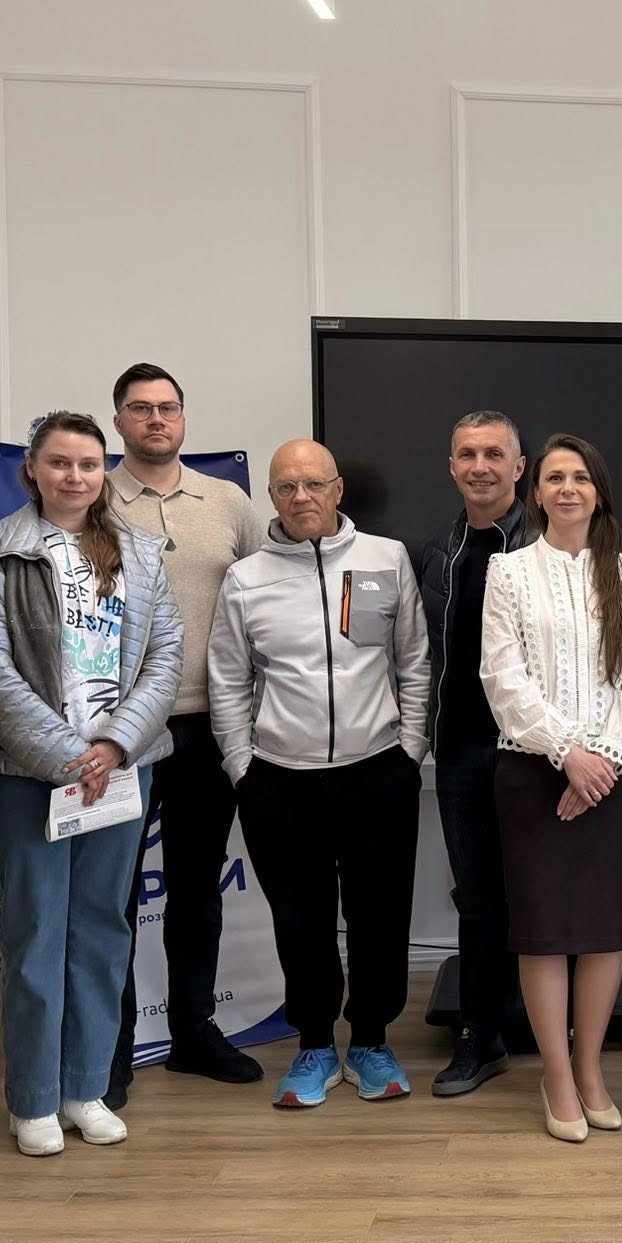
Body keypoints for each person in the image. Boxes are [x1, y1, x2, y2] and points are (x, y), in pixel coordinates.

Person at [0, 411, 180, 1156]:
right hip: (30, 778)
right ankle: (32, 1100)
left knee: (101, 931)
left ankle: (84, 1088)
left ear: (103, 471)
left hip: (121, 772)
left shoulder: (142, 554)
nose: (75, 477)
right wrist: (67, 758)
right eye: (59, 463)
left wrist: (115, 745)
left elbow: (165, 657)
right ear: (32, 469)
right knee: (34, 937)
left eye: (89, 464)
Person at [210, 439, 431, 1110]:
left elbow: (414, 659)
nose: (301, 497)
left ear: (338, 489)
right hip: (281, 780)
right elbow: (228, 679)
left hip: (378, 772)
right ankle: (313, 1044)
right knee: (299, 920)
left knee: (380, 917)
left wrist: (410, 749)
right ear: (271, 497)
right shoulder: (246, 578)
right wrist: (243, 768)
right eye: (286, 487)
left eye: (313, 484)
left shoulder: (386, 559)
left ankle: (371, 1041)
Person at [479, 434, 622, 1143]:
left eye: (581, 476)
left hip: (614, 774)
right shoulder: (508, 571)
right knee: (545, 932)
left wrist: (601, 758)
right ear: (537, 492)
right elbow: (501, 677)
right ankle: (556, 1075)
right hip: (532, 774)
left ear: (599, 491)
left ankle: (590, 1069)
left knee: (605, 931)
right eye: (554, 477)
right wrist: (567, 754)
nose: (568, 488)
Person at [103, 362, 267, 1107]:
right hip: (120, 732)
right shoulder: (93, 497)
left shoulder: (228, 501)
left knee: (198, 890)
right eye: (140, 408)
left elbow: (270, 588)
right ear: (119, 421)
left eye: (167, 407)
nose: (156, 419)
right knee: (111, 895)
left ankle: (194, 1033)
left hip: (210, 723)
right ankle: (109, 1050)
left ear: (183, 418)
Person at [416, 410, 534, 1096]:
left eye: (494, 454)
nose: (480, 466)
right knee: (479, 899)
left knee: (543, 892)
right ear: (452, 467)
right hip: (462, 752)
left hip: (536, 753)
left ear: (519, 467)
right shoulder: (437, 552)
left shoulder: (551, 544)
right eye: (467, 454)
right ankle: (482, 1036)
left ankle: (552, 1024)